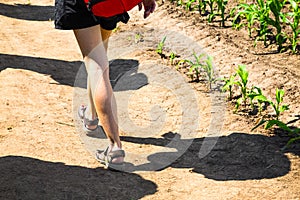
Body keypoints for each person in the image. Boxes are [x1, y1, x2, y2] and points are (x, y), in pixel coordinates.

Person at [54, 0, 156, 168]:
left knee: (97, 67)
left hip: (82, 3)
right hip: (112, 3)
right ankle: (91, 115)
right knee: (101, 55)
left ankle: (115, 147)